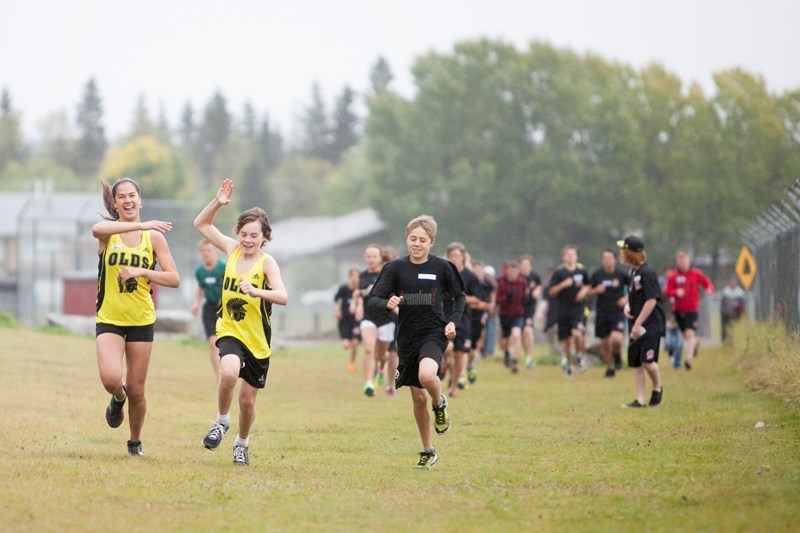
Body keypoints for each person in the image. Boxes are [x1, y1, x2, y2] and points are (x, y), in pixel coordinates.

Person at [194, 179, 288, 466]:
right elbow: (201, 224)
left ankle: (242, 443)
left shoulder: (267, 263)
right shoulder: (231, 250)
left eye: (254, 236)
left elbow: (282, 296)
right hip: (230, 330)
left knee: (248, 401)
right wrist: (217, 202)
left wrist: (257, 290)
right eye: (244, 234)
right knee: (229, 373)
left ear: (264, 237)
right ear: (238, 234)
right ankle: (221, 422)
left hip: (257, 340)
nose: (248, 240)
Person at [92, 177, 181, 457]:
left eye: (132, 195)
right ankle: (117, 399)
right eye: (122, 197)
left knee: (137, 389)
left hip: (141, 319)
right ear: (116, 203)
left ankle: (134, 442)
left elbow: (174, 278)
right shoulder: (109, 234)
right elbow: (96, 228)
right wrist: (141, 224)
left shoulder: (154, 238)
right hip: (110, 317)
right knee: (111, 379)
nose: (128, 201)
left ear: (140, 200)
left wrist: (143, 272)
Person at [368, 215, 464, 469]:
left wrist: (453, 322)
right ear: (406, 239)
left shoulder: (443, 267)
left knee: (427, 376)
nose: (417, 244)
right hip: (407, 337)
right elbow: (374, 298)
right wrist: (387, 303)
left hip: (434, 332)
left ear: (431, 242)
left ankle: (439, 403)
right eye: (413, 239)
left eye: (423, 240)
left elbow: (459, 296)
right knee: (417, 398)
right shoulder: (395, 268)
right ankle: (428, 450)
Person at [618, 235, 665, 408]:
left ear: (631, 252)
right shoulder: (634, 272)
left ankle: (658, 388)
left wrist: (638, 323)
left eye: (624, 250)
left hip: (650, 324)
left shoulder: (648, 272)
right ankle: (639, 399)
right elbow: (636, 297)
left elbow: (651, 300)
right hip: (636, 323)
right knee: (637, 362)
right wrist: (628, 306)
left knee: (647, 361)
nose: (621, 253)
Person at [353, 243, 395, 397]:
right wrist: (360, 299)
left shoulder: (387, 274)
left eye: (374, 256)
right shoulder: (363, 275)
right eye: (368, 256)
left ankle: (381, 369)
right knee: (369, 349)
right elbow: (358, 293)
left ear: (380, 258)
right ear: (365, 258)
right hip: (369, 317)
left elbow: (392, 292)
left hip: (386, 318)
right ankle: (369, 383)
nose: (371, 259)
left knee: (382, 355)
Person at [664, 251, 714, 370]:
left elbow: (707, 283)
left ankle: (689, 359)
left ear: (688, 261)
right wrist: (676, 292)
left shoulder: (695, 273)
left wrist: (709, 290)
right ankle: (695, 344)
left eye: (685, 261)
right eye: (680, 261)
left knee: (690, 333)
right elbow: (667, 291)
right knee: (686, 335)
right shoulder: (674, 276)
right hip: (678, 310)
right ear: (677, 262)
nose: (683, 264)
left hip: (692, 309)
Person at [443, 242, 481, 396]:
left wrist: (460, 298)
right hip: (445, 317)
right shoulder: (444, 274)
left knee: (459, 354)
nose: (454, 259)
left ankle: (454, 386)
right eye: (451, 256)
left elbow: (478, 299)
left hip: (463, 319)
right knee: (447, 348)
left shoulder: (470, 276)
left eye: (457, 256)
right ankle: (444, 363)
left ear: (463, 257)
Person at [548, 245, 591, 377]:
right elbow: (551, 292)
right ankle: (570, 366)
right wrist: (563, 285)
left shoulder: (582, 271)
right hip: (563, 311)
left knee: (577, 334)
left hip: (579, 310)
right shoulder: (559, 272)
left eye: (573, 254)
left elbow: (589, 285)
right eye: (567, 254)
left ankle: (579, 356)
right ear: (563, 256)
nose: (570, 257)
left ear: (577, 256)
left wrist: (583, 292)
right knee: (567, 341)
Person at [588, 249, 630, 378]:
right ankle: (610, 368)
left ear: (615, 259)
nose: (607, 260)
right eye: (605, 258)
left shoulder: (621, 274)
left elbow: (633, 289)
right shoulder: (597, 274)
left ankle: (617, 355)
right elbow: (588, 292)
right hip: (602, 312)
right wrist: (596, 290)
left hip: (617, 312)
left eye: (610, 258)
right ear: (602, 260)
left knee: (616, 339)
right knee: (605, 343)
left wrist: (626, 298)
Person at [190, 239, 226, 382]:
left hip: (225, 309)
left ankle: (230, 370)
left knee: (225, 342)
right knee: (213, 343)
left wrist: (223, 299)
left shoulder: (223, 266)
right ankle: (219, 377)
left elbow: (231, 284)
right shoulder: (199, 271)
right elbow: (200, 289)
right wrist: (195, 304)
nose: (206, 254)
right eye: (203, 251)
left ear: (215, 251)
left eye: (209, 250)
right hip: (209, 309)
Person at [495, 260, 528, 373]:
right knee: (506, 339)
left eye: (515, 272)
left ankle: (515, 361)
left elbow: (524, 297)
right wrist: (506, 298)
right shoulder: (501, 282)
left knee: (516, 334)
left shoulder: (522, 282)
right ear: (507, 271)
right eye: (511, 271)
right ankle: (507, 353)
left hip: (517, 313)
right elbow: (497, 300)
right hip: (504, 315)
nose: (513, 274)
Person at [334, 266, 361, 373]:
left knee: (354, 344)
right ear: (350, 277)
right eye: (353, 276)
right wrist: (337, 310)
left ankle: (352, 363)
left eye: (357, 276)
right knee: (346, 345)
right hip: (344, 320)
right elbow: (336, 300)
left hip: (356, 321)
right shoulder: (343, 289)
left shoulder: (360, 290)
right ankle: (346, 341)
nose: (355, 278)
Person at [518, 255, 542, 370]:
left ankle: (529, 357)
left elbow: (540, 285)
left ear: (531, 266)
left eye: (527, 265)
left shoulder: (535, 276)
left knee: (527, 330)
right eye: (522, 265)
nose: (524, 267)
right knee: (521, 333)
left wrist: (537, 290)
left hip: (529, 310)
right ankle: (525, 355)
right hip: (517, 310)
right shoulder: (517, 277)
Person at [660, 265, 684, 369]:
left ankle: (677, 363)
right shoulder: (661, 285)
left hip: (680, 317)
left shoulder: (680, 284)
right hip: (667, 317)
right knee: (668, 342)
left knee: (679, 342)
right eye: (667, 273)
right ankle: (671, 353)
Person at [720, 276, 746, 341]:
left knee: (733, 325)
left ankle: (734, 339)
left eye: (734, 282)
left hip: (735, 312)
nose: (733, 283)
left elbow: (742, 303)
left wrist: (736, 305)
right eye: (732, 281)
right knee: (725, 326)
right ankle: (725, 339)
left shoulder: (739, 292)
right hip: (726, 312)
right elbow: (722, 302)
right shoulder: (725, 291)